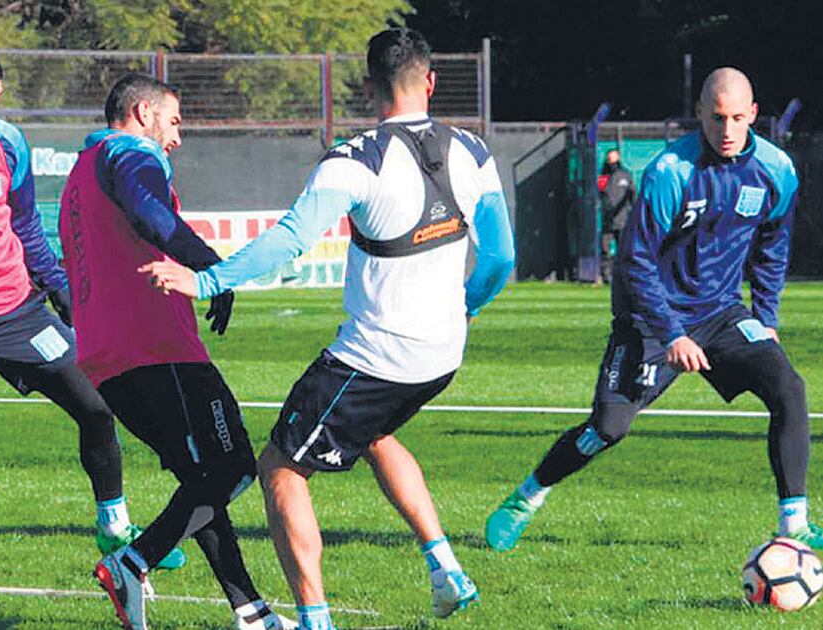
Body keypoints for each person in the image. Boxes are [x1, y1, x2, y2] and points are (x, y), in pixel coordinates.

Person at [142, 28, 515, 630]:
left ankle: (315, 621)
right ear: (430, 81)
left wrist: (206, 281)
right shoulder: (473, 150)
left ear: (369, 88)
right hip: (442, 357)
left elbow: (291, 239)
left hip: (376, 357)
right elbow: (500, 257)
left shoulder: (354, 159)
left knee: (280, 468)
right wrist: (465, 308)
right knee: (374, 434)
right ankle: (446, 569)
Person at [0, 43, 187, 603]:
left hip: (14, 313)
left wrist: (67, 296)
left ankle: (114, 526)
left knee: (98, 405)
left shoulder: (9, 143)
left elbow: (25, 230)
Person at [485, 67, 822, 553]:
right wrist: (672, 334)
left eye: (736, 118)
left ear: (753, 114)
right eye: (716, 118)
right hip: (650, 318)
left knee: (789, 388)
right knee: (607, 429)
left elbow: (773, 246)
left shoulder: (776, 170)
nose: (726, 130)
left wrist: (766, 319)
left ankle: (794, 525)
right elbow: (636, 262)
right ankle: (527, 496)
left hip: (723, 314)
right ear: (700, 114)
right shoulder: (671, 171)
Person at [59, 73, 295, 630]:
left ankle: (251, 612)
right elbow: (151, 213)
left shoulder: (80, 170)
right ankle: (132, 562)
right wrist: (213, 269)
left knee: (201, 481)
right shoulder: (131, 154)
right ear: (143, 114)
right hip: (156, 347)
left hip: (106, 356)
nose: (177, 138)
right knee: (234, 467)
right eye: (174, 121)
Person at [597, 149, 635, 283]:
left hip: (623, 219)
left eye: (613, 158)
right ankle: (606, 276)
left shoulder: (626, 175)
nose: (610, 161)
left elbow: (633, 196)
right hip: (607, 220)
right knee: (605, 248)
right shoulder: (603, 177)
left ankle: (624, 276)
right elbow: (599, 195)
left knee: (623, 249)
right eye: (609, 158)